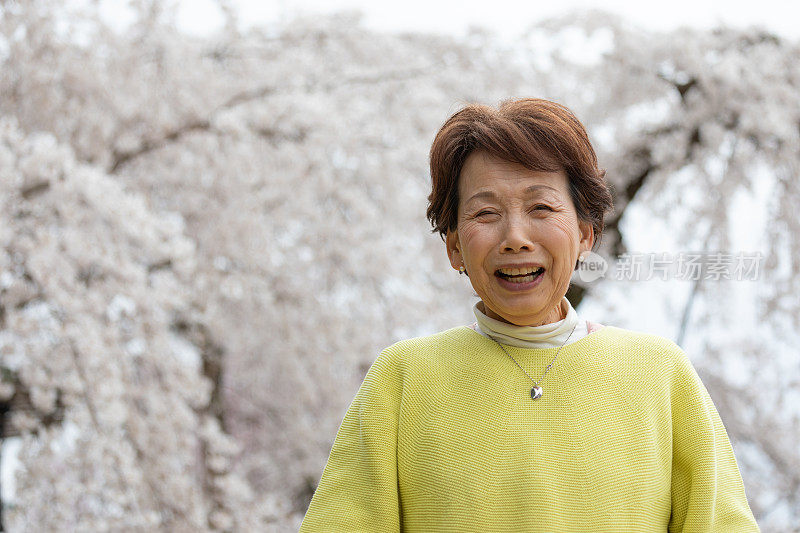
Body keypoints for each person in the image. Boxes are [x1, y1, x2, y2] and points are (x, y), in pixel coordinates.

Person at [299, 98, 760, 532]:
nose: (515, 236)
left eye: (541, 207)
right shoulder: (403, 378)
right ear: (454, 246)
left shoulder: (660, 372)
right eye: (485, 212)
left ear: (584, 232)